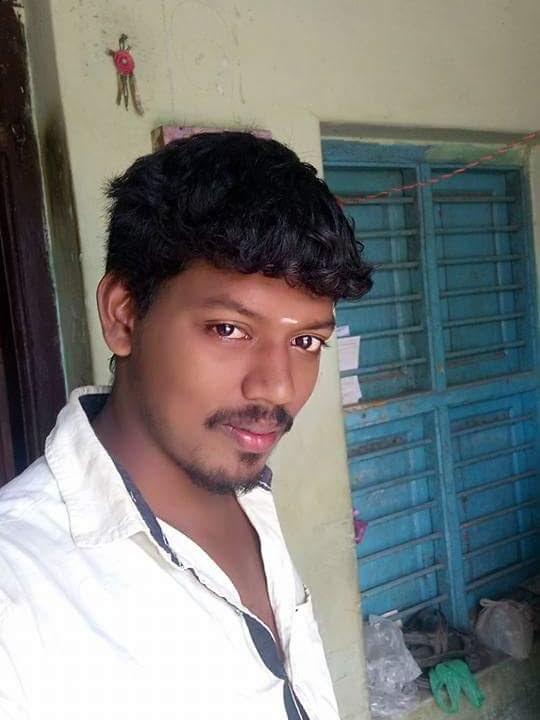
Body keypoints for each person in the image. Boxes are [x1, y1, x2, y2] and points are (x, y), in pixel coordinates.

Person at [0, 132, 372, 720]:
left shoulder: (246, 494)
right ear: (124, 316)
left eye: (305, 341)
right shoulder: (17, 598)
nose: (278, 387)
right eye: (229, 329)